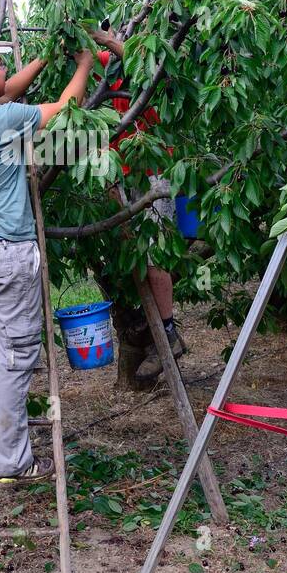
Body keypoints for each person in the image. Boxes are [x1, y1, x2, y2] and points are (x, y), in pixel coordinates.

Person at [0, 38, 94, 488]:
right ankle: (10, 463)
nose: (6, 66)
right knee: (14, 356)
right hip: (5, 255)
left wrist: (45, 56)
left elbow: (6, 94)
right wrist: (83, 63)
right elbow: (67, 108)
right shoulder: (5, 120)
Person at [91, 33, 186, 381]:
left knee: (155, 258)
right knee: (135, 260)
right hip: (122, 176)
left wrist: (103, 36)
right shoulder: (112, 67)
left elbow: (141, 56)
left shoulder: (152, 68)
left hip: (153, 174)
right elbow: (86, 55)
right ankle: (154, 334)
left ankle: (169, 333)